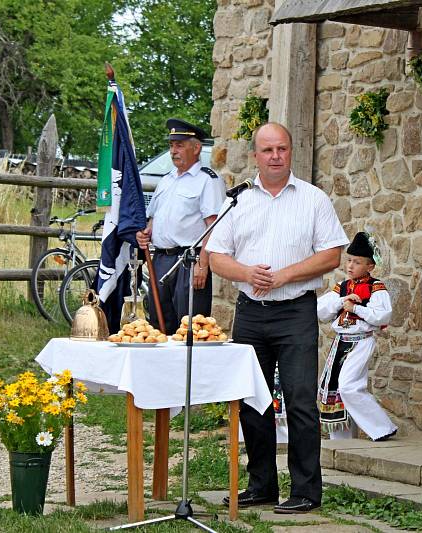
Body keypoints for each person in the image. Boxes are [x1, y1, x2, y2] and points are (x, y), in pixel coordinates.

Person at [207, 122, 348, 514]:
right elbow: (216, 255)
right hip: (251, 312)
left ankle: (305, 490)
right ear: (255, 155)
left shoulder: (314, 199)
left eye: (282, 149)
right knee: (253, 401)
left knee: (302, 400)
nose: (275, 156)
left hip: (295, 310)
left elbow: (332, 254)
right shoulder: (237, 200)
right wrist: (247, 273)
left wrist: (285, 275)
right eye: (267, 150)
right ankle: (262, 485)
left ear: (290, 152)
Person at [136, 118, 226, 334]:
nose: (173, 151)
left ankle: (188, 369)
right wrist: (146, 233)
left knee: (189, 329)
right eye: (171, 145)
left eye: (179, 145)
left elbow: (213, 228)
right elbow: (154, 218)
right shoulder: (167, 180)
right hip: (161, 260)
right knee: (159, 325)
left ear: (196, 148)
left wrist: (202, 265)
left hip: (189, 261)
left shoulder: (208, 181)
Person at [316, 231, 397, 442]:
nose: (350, 266)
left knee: (349, 386)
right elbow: (320, 311)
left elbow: (382, 316)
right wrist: (342, 300)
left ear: (370, 266)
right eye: (349, 260)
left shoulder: (376, 288)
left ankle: (383, 428)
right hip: (340, 342)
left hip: (361, 341)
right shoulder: (341, 287)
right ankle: (341, 439)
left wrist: (356, 308)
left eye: (357, 262)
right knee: (334, 389)